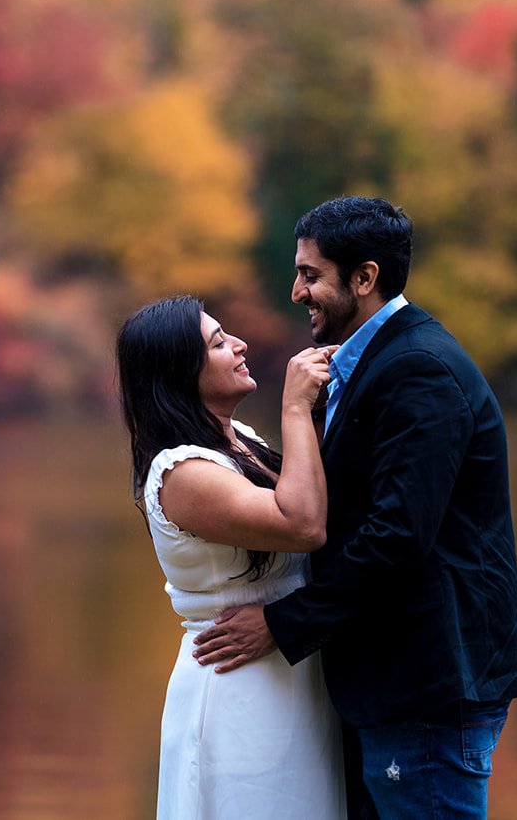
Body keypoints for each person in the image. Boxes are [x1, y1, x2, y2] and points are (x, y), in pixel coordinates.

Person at [190, 196, 517, 819]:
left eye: (310, 275)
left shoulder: (419, 370)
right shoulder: (364, 365)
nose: (297, 292)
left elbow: (396, 539)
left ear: (365, 278)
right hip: (392, 684)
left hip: (428, 684)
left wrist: (281, 623)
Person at [116, 294, 348, 820]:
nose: (240, 345)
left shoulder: (236, 440)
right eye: (219, 343)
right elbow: (303, 524)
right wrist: (293, 408)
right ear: (179, 373)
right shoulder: (184, 473)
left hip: (288, 674)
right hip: (237, 689)